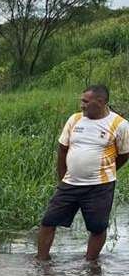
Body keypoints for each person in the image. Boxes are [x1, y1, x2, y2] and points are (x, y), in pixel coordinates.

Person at [37, 85, 129, 261]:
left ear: (100, 102)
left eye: (86, 101)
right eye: (82, 101)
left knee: (97, 227)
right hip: (70, 184)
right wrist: (62, 178)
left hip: (100, 187)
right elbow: (62, 149)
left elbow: (124, 155)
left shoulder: (120, 125)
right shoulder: (75, 119)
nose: (82, 105)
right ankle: (41, 262)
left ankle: (90, 265)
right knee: (48, 221)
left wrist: (107, 170)